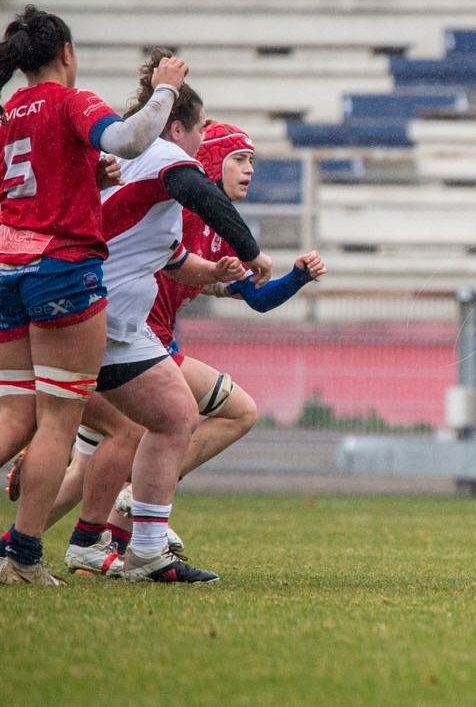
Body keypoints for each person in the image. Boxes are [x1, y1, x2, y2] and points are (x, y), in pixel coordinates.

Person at [61, 121, 324, 575]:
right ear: (208, 161)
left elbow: (254, 297)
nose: (250, 170)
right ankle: (128, 521)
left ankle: (72, 542)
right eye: (239, 159)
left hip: (135, 344)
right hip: (123, 341)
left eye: (253, 161)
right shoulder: (175, 207)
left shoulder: (213, 228)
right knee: (179, 424)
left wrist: (297, 276)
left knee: (96, 456)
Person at [56, 50, 272, 584]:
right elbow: (200, 194)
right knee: (92, 430)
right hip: (93, 315)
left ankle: (128, 547)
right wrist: (251, 252)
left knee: (159, 419)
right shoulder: (164, 158)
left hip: (110, 323)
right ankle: (75, 545)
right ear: (177, 127)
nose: (204, 142)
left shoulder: (137, 164)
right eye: (200, 130)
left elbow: (175, 262)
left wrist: (216, 275)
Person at [0, 6, 187, 585]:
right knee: (61, 418)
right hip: (61, 268)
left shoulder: (8, 112)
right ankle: (24, 557)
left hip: (7, 266)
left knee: (13, 414)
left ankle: (21, 554)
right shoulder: (69, 102)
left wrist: (87, 179)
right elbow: (130, 139)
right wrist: (164, 94)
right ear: (67, 53)